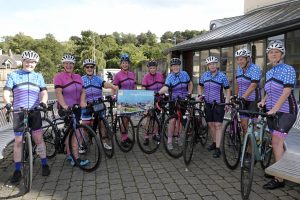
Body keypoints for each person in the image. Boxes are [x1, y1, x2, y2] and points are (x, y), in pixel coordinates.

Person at [3, 50, 50, 183]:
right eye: (27, 61)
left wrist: (44, 102)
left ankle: (44, 163)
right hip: (19, 111)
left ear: (35, 64)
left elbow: (44, 92)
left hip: (35, 111)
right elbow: (6, 91)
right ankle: (17, 169)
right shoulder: (14, 75)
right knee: (18, 141)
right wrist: (7, 103)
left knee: (39, 138)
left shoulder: (38, 76)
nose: (30, 64)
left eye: (33, 62)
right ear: (23, 62)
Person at [258, 40, 298, 190]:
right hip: (272, 111)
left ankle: (279, 178)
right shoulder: (269, 72)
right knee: (277, 143)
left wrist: (274, 108)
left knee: (276, 142)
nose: (273, 54)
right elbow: (269, 92)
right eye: (270, 52)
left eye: (276, 51)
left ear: (281, 54)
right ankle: (280, 168)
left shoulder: (288, 69)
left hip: (286, 111)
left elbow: (286, 91)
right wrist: (263, 101)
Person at [53, 54, 89, 166]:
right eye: (66, 63)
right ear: (63, 64)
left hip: (76, 108)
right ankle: (75, 157)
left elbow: (83, 91)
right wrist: (64, 106)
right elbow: (58, 93)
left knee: (72, 131)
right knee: (76, 132)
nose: (68, 65)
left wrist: (83, 102)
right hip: (66, 109)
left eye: (71, 63)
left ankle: (69, 154)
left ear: (74, 65)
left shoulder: (78, 76)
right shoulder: (59, 76)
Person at [81, 58, 118, 150]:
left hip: (98, 104)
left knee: (102, 123)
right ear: (84, 68)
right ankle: (85, 143)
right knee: (85, 125)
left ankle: (104, 142)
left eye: (91, 67)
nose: (89, 68)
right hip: (87, 105)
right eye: (87, 67)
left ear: (94, 68)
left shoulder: (97, 79)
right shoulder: (81, 79)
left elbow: (105, 84)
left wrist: (113, 86)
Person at [198, 56, 230, 158]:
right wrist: (199, 95)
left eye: (214, 63)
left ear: (217, 65)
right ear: (207, 66)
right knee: (210, 124)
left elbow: (228, 90)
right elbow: (200, 85)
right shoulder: (205, 75)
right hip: (207, 103)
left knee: (218, 125)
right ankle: (214, 142)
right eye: (210, 64)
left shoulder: (222, 76)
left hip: (219, 104)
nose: (212, 65)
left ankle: (218, 148)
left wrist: (227, 102)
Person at [158, 58, 193, 150]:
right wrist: (158, 93)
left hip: (183, 99)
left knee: (180, 119)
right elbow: (166, 87)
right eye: (174, 66)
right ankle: (169, 141)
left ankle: (178, 137)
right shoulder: (170, 76)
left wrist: (189, 93)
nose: (176, 67)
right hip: (173, 100)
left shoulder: (184, 74)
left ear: (179, 66)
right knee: (172, 120)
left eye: (177, 65)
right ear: (171, 67)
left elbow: (190, 84)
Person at [234, 48, 261, 135]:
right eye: (237, 59)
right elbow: (237, 83)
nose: (239, 61)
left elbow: (253, 85)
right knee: (244, 126)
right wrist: (235, 96)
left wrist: (243, 97)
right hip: (243, 100)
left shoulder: (255, 68)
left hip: (253, 101)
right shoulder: (238, 68)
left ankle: (256, 146)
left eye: (241, 59)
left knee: (253, 127)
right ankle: (247, 147)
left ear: (248, 59)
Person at [113, 53, 136, 147]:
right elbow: (114, 87)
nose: (125, 64)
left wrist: (136, 95)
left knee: (128, 119)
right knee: (124, 120)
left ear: (129, 64)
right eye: (123, 63)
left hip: (131, 99)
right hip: (122, 100)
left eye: (126, 63)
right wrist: (114, 96)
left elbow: (134, 86)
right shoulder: (118, 75)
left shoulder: (132, 74)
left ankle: (125, 136)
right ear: (120, 64)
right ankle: (123, 139)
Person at [141, 60, 165, 145]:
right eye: (150, 68)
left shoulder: (160, 76)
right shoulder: (146, 77)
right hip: (150, 100)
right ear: (148, 69)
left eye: (154, 68)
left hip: (159, 100)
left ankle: (155, 134)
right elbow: (143, 89)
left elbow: (163, 87)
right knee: (149, 119)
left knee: (157, 118)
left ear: (156, 68)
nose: (152, 69)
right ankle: (146, 136)